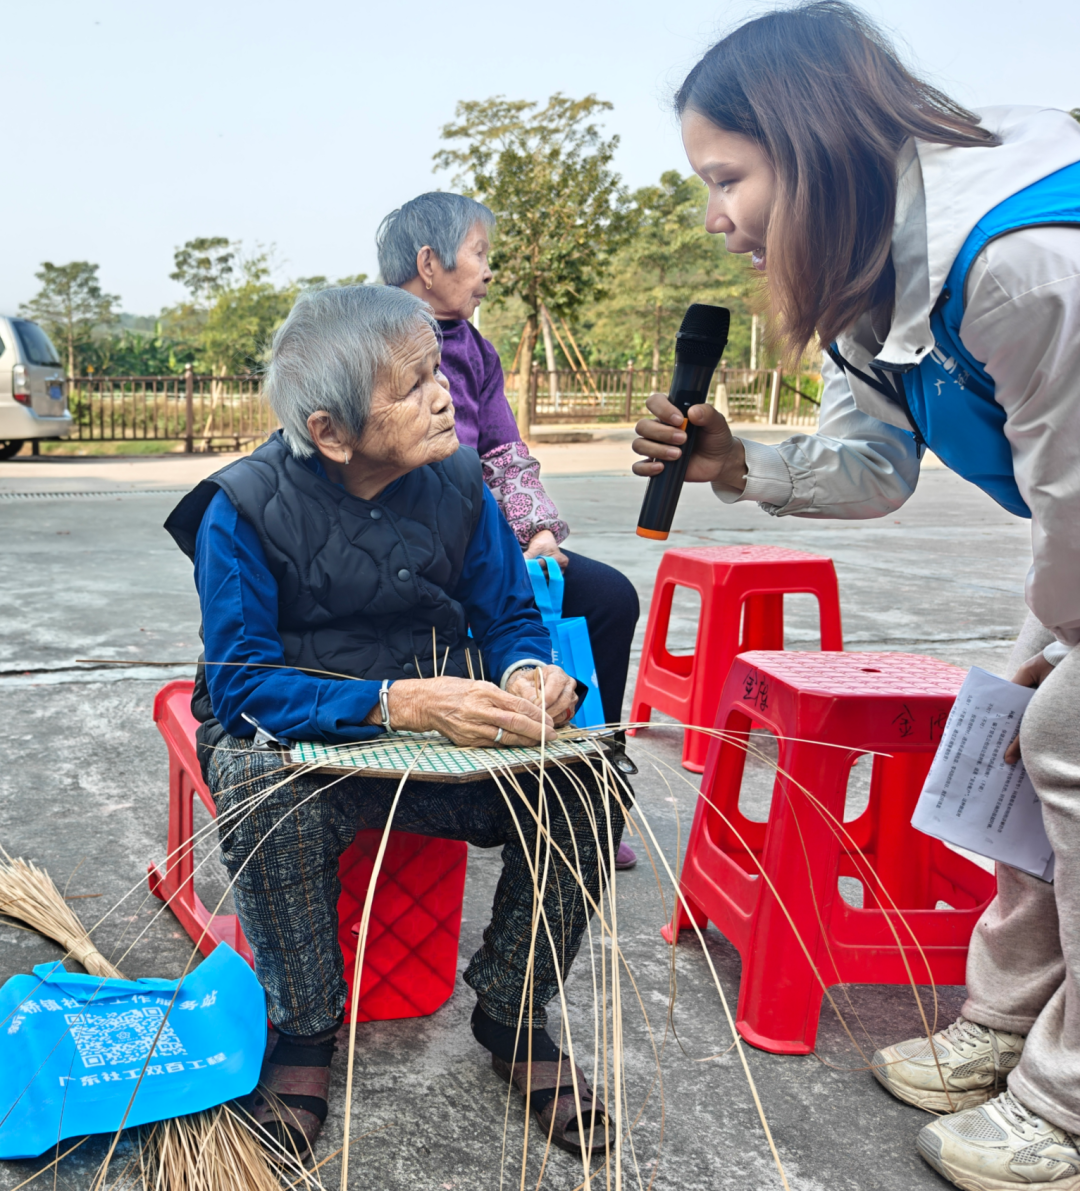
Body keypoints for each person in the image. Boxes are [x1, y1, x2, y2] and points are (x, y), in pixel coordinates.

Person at [632, 4, 1080, 1187]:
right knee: (1020, 737)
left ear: (813, 146)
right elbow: (875, 469)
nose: (715, 215)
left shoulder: (1023, 259)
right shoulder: (880, 273)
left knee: (1064, 735)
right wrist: (736, 463)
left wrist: (1060, 652)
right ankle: (1010, 1024)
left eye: (728, 178)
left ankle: (1067, 1104)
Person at [165, 284, 627, 1162]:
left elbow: (509, 615)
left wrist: (528, 674)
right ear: (331, 431)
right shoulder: (243, 506)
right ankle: (304, 1031)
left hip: (433, 737)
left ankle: (513, 1012)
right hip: (299, 739)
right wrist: (397, 702)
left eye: (436, 373)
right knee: (261, 792)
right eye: (411, 387)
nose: (442, 396)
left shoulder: (459, 483)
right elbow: (241, 683)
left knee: (588, 779)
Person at [376, 193, 642, 869]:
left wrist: (538, 534)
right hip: (399, 551)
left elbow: (503, 454)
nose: (489, 271)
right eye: (480, 254)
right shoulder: (368, 338)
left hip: (482, 544)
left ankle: (589, 796)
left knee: (608, 598)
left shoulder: (478, 350)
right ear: (430, 264)